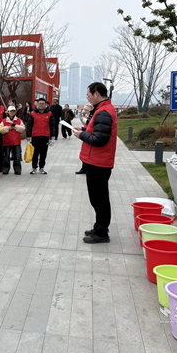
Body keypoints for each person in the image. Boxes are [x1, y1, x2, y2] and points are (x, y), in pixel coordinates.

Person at [73, 82, 117, 244]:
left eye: (89, 95)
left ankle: (101, 232)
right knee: (97, 198)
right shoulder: (102, 109)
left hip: (99, 162)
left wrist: (81, 136)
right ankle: (99, 227)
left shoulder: (104, 112)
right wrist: (84, 130)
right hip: (96, 160)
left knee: (99, 199)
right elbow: (97, 131)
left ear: (96, 94)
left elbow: (100, 139)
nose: (88, 98)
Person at [26, 97, 56, 175]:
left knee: (43, 154)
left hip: (45, 136)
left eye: (43, 104)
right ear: (37, 104)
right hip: (35, 136)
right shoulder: (33, 113)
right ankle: (34, 168)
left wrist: (53, 136)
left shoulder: (49, 114)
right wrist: (28, 136)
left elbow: (52, 125)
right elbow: (29, 125)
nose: (41, 105)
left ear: (46, 105)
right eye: (40, 104)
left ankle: (41, 168)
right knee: (35, 153)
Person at [0, 106, 25, 175]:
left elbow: (23, 128)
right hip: (7, 141)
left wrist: (15, 127)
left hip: (16, 141)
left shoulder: (19, 120)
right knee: (6, 156)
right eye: (11, 111)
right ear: (8, 112)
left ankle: (17, 170)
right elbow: (0, 130)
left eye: (13, 111)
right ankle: (5, 169)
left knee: (17, 156)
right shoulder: (4, 120)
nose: (12, 112)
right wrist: (9, 128)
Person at [76, 103, 94, 175]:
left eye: (87, 110)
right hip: (86, 132)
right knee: (84, 152)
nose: (86, 111)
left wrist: (84, 120)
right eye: (85, 110)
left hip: (89, 134)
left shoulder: (93, 116)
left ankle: (86, 168)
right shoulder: (88, 116)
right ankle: (84, 168)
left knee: (88, 153)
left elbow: (91, 125)